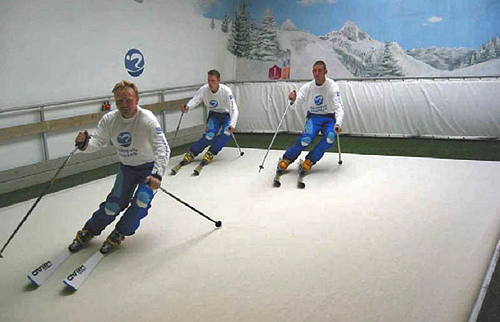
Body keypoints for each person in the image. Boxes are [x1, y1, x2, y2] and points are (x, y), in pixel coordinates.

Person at [70, 80, 170, 254]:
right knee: (113, 205)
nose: (124, 105)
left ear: (137, 99)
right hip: (127, 169)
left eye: (128, 100)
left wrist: (158, 175)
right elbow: (97, 142)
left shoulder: (146, 119)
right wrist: (85, 144)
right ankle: (90, 230)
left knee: (141, 200)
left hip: (148, 169)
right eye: (120, 101)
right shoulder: (110, 119)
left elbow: (163, 147)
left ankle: (120, 232)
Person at [276, 60, 345, 177]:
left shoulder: (332, 86)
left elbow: (339, 107)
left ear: (325, 72)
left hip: (329, 118)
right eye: (314, 71)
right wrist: (292, 100)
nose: (317, 73)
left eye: (320, 71)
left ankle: (310, 160)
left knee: (330, 137)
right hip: (314, 117)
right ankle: (287, 158)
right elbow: (297, 102)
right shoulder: (307, 87)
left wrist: (338, 124)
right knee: (306, 139)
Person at [171, 69, 238, 174]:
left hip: (226, 115)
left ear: (219, 81)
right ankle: (193, 152)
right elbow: (196, 99)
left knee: (227, 133)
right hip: (214, 115)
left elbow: (234, 109)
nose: (210, 83)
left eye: (213, 81)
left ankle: (212, 152)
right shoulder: (204, 89)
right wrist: (188, 106)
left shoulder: (226, 91)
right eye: (209, 81)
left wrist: (232, 124)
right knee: (209, 135)